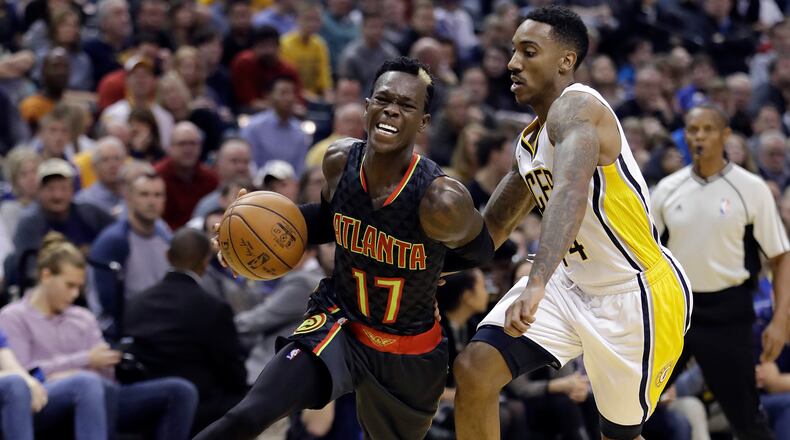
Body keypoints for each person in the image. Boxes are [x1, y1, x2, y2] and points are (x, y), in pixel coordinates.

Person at [195, 56, 494, 439]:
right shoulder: (339, 161)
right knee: (248, 416)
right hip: (340, 323)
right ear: (367, 106)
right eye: (383, 99)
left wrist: (430, 268)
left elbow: (480, 253)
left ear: (423, 122)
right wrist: (244, 234)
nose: (391, 110)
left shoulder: (440, 200)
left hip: (409, 352)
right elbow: (325, 218)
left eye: (406, 105)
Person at [452, 6, 691, 440]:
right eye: (512, 51)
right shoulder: (529, 143)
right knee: (474, 370)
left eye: (528, 52)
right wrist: (425, 268)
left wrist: (536, 280)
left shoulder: (580, 109)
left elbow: (571, 192)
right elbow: (487, 234)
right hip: (568, 283)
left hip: (633, 294)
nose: (512, 63)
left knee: (617, 435)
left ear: (565, 61)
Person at [651, 104, 790, 440]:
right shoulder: (666, 190)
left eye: (707, 129)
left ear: (725, 135)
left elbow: (781, 257)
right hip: (675, 311)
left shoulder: (751, 188)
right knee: (638, 406)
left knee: (746, 420)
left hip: (730, 312)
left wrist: (780, 321)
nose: (699, 136)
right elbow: (646, 257)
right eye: (692, 129)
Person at [124, 228, 247, 432]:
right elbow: (233, 373)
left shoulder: (137, 302)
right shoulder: (213, 308)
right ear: (205, 261)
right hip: (200, 409)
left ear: (168, 256)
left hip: (145, 409)